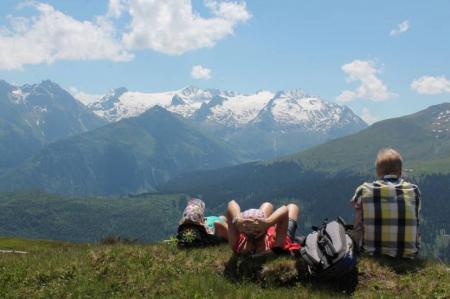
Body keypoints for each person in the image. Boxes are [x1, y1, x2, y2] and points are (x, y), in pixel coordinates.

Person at [350, 148, 421, 258]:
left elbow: (356, 216)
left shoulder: (363, 189)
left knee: (358, 217)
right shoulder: (414, 190)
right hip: (408, 254)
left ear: (378, 171)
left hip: (371, 253)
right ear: (400, 171)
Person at [226, 200, 300, 255]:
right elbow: (284, 209)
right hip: (283, 236)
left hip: (267, 229)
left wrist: (237, 220)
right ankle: (261, 218)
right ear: (266, 231)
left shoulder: (238, 245)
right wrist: (268, 222)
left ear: (243, 233)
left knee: (267, 205)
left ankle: (259, 217)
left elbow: (231, 203)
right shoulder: (274, 246)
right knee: (293, 206)